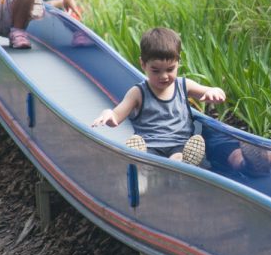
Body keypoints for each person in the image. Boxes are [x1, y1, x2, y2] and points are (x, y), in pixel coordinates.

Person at [91, 27, 222, 166]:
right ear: (143, 64)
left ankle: (180, 162)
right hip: (150, 146)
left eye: (170, 69)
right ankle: (142, 162)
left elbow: (210, 91)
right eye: (156, 71)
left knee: (179, 154)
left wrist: (214, 92)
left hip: (179, 144)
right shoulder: (138, 93)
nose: (164, 76)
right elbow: (116, 117)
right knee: (146, 156)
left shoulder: (184, 85)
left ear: (178, 62)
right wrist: (108, 114)